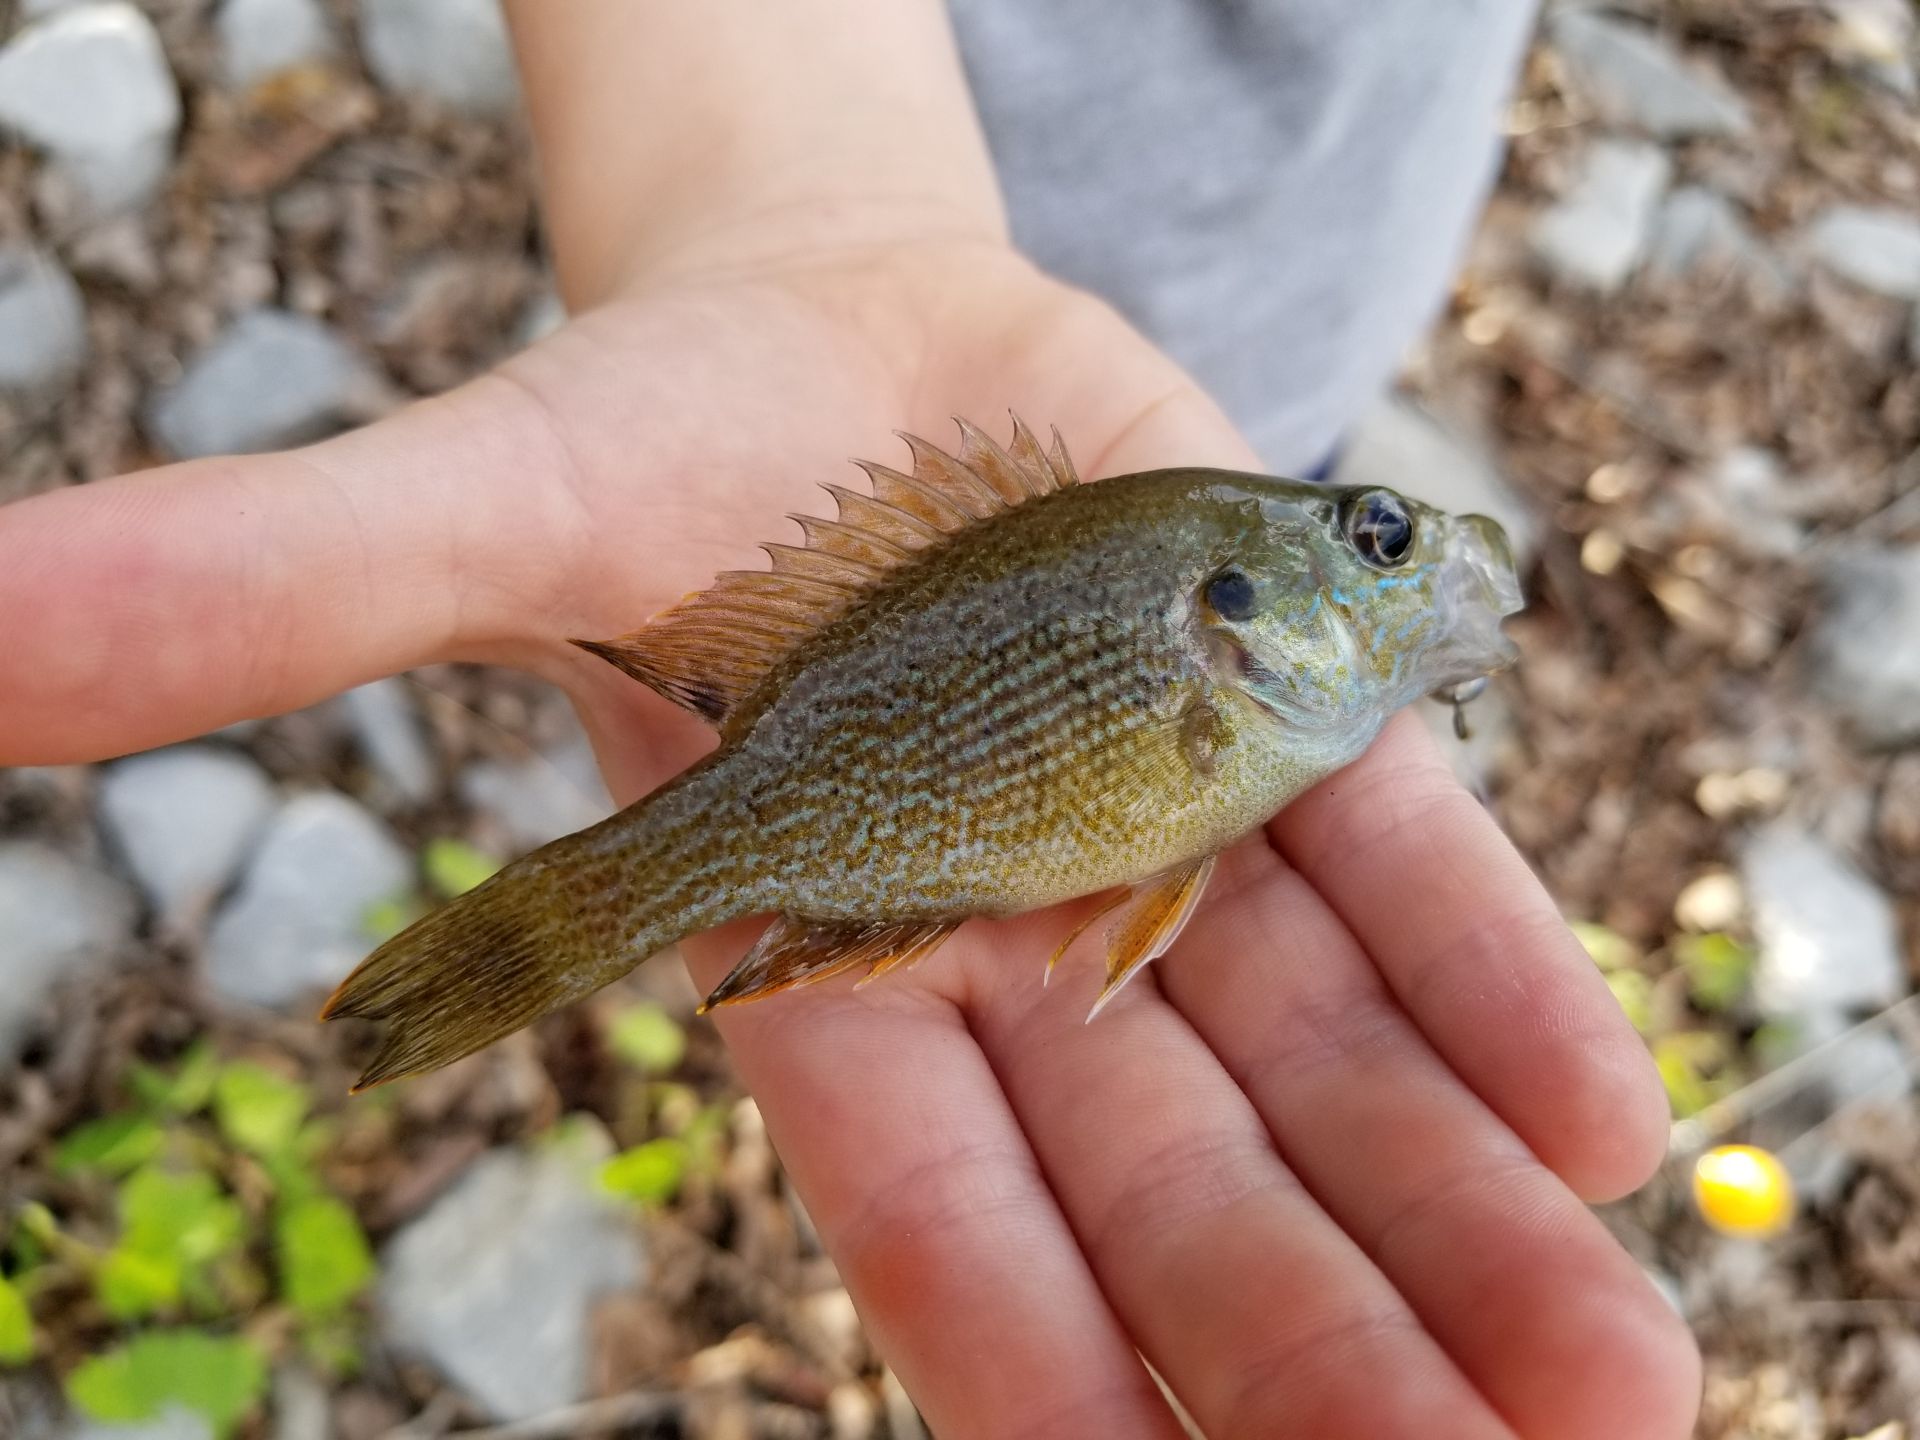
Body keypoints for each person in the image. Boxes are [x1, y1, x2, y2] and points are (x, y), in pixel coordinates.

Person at [0, 4, 1700, 1435]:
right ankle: (508, 952)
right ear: (1236, 611)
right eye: (1381, 544)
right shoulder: (1204, 585)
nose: (1416, 558)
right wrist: (780, 202)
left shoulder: (1233, 562)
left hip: (1313, 285)